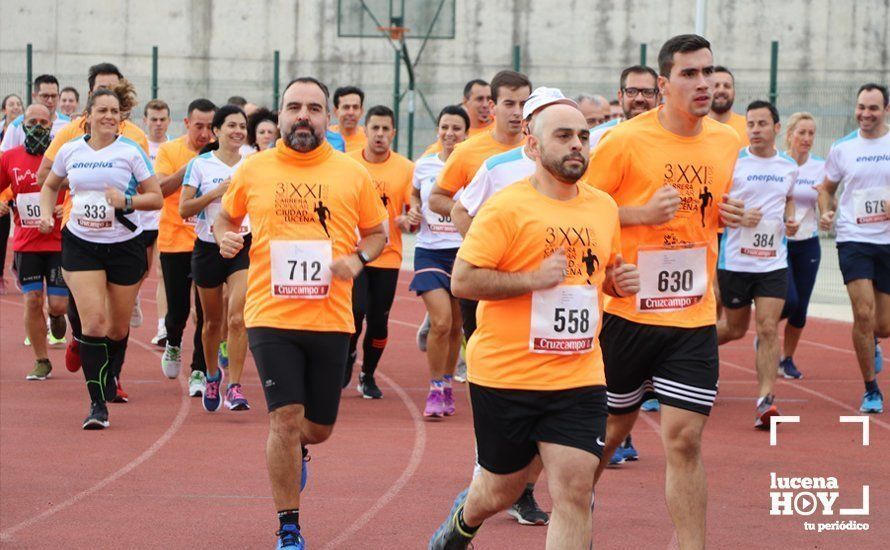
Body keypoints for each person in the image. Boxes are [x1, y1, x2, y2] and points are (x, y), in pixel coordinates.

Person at [429, 101, 639, 550]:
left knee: (575, 490)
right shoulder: (506, 208)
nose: (577, 145)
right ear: (532, 145)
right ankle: (463, 523)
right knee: (501, 490)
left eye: (583, 136)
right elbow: (462, 281)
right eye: (563, 136)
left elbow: (600, 276)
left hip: (578, 374)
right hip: (507, 375)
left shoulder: (603, 207)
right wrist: (531, 280)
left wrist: (619, 284)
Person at [214, 76, 387, 549]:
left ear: (327, 118)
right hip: (270, 314)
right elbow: (225, 216)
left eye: (314, 107)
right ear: (279, 116)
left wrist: (359, 258)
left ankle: (300, 450)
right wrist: (225, 236)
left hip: (331, 318)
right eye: (294, 107)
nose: (303, 115)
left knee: (318, 428)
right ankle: (288, 525)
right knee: (284, 418)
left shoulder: (353, 173)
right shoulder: (255, 169)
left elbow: (378, 234)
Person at [587, 35, 745, 549]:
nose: (703, 84)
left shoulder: (726, 141)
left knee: (684, 439)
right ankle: (574, 505)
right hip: (628, 312)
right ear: (663, 84)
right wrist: (637, 215)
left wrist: (728, 215)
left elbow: (710, 208)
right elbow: (582, 209)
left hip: (692, 315)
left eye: (709, 72)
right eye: (690, 74)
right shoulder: (624, 141)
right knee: (609, 434)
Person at [449, 87, 578, 527]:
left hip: (562, 315)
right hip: (500, 301)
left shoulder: (578, 176)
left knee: (556, 423)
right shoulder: (497, 167)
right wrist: (491, 256)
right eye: (543, 119)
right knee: (503, 414)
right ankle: (486, 480)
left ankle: (525, 491)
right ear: (531, 130)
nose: (568, 140)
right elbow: (460, 209)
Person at [38, 83, 162, 429]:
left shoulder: (131, 152)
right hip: (81, 241)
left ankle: (110, 376)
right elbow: (49, 184)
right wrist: (48, 213)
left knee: (118, 327)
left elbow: (156, 198)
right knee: (94, 323)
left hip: (124, 244)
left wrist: (127, 201)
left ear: (121, 118)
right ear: (87, 116)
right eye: (102, 110)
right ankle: (96, 405)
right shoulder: (71, 149)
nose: (109, 116)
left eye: (114, 111)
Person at [716, 100, 799, 429]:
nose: (755, 130)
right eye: (750, 124)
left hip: (772, 263)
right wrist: (738, 214)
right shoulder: (732, 163)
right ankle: (684, 350)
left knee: (767, 327)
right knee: (734, 329)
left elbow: (789, 197)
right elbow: (716, 204)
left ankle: (766, 400)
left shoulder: (788, 166)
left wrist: (790, 221)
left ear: (776, 128)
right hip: (735, 260)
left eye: (762, 124)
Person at [818, 83, 890, 414]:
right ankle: (871, 389)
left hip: (887, 241)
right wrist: (826, 210)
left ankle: (872, 338)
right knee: (862, 313)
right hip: (854, 238)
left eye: (873, 108)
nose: (865, 114)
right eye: (861, 107)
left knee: (882, 325)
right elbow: (827, 187)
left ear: (886, 110)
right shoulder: (843, 147)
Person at [180, 105, 252, 412]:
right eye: (231, 125)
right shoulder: (200, 165)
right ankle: (212, 376)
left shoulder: (253, 163)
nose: (238, 131)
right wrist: (216, 193)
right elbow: (184, 209)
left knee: (238, 319)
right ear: (217, 130)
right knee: (211, 323)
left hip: (242, 245)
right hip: (208, 246)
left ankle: (234, 386)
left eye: (242, 126)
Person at [346, 105, 415, 398]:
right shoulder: (347, 164)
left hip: (387, 255)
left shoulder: (406, 168)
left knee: (378, 320)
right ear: (365, 130)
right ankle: (347, 357)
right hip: (354, 252)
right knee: (354, 312)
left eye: (386, 129)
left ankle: (368, 374)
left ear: (393, 133)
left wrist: (408, 220)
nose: (380, 134)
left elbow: (414, 213)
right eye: (375, 128)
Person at [408, 105, 469, 417]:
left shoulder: (475, 167)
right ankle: (434, 388)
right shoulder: (424, 165)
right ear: (438, 131)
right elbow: (415, 195)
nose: (449, 133)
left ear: (466, 133)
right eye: (444, 127)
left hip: (463, 251)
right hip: (430, 250)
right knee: (442, 320)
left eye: (456, 128)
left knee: (457, 323)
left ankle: (446, 382)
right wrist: (414, 209)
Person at [0, 103, 69, 379]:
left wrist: (70, 207)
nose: (38, 127)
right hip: (27, 243)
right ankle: (42, 360)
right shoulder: (9, 158)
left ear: (51, 124)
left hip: (59, 242)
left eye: (43, 121)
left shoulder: (62, 156)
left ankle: (56, 317)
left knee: (58, 305)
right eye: (32, 122)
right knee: (31, 299)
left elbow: (82, 186)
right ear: (22, 126)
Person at [156, 98, 217, 397]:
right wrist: (192, 167)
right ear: (187, 124)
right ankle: (173, 343)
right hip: (175, 240)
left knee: (207, 311)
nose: (204, 134)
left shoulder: (221, 154)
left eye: (210, 127)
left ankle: (198, 370)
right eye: (199, 126)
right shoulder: (170, 151)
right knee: (178, 310)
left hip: (208, 241)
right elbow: (160, 189)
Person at [778, 112, 825, 380]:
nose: (806, 139)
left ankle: (787, 359)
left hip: (808, 243)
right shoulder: (779, 163)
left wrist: (827, 212)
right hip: (780, 244)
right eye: (802, 133)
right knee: (789, 301)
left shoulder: (820, 166)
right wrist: (785, 220)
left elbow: (825, 198)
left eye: (811, 134)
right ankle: (767, 337)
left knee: (801, 307)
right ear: (789, 134)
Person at [143, 99, 172, 345]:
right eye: (154, 119)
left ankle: (163, 327)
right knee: (140, 272)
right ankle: (131, 303)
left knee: (164, 272)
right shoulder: (138, 146)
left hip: (164, 219)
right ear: (145, 120)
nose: (158, 124)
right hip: (139, 220)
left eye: (162, 119)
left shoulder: (173, 148)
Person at [588, 65, 660, 148]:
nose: (639, 99)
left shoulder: (670, 137)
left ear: (658, 97)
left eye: (647, 92)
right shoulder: (595, 139)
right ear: (620, 97)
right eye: (631, 91)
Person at [1, 75, 70, 155]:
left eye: (54, 96)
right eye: (45, 96)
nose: (50, 100)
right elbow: (4, 155)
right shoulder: (17, 125)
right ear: (34, 96)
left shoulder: (68, 124)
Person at [422, 79, 494, 155]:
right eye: (479, 99)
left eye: (489, 99)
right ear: (465, 101)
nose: (485, 104)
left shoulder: (500, 129)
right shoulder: (454, 135)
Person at [1, 94, 24, 294]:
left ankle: (18, 264)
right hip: (4, 185)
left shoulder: (26, 127)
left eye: (18, 104)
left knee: (22, 224)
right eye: (11, 104)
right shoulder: (4, 131)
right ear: (4, 109)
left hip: (20, 184)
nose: (16, 107)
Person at [708, 66, 750, 146]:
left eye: (727, 86)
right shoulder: (695, 127)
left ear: (734, 93)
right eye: (716, 86)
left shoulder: (750, 127)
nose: (721, 90)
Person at [330, 86, 367, 153]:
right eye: (346, 107)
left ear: (361, 111)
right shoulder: (325, 137)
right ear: (335, 111)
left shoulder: (369, 138)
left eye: (355, 107)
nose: (351, 112)